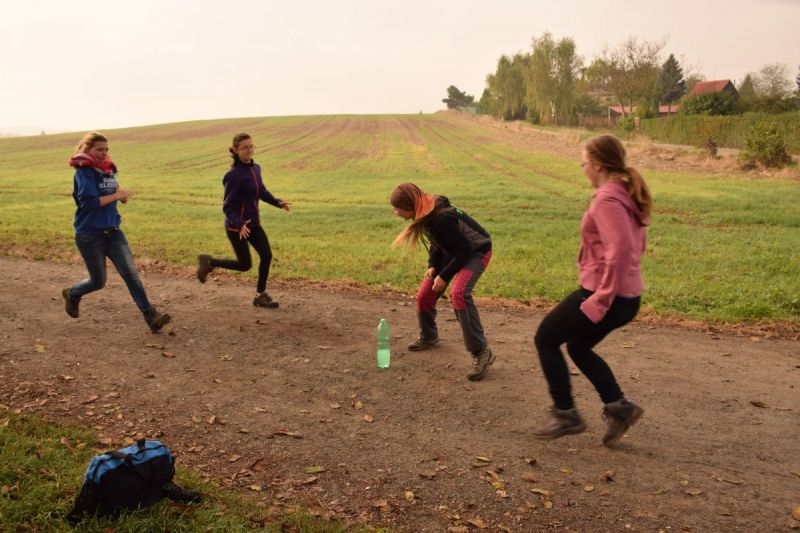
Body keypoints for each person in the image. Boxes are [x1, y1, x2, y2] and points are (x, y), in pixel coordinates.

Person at [532, 134, 652, 446]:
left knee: (546, 338)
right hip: (627, 296)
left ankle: (565, 413)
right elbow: (636, 245)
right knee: (578, 347)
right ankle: (619, 408)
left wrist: (602, 297)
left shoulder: (608, 200)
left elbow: (622, 250)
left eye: (584, 163)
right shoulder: (624, 193)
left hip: (606, 294)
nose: (582, 168)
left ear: (597, 165)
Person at [62, 132, 170, 333]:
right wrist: (116, 196)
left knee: (131, 274)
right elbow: (89, 204)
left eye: (106, 149)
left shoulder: (107, 170)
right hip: (90, 235)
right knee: (98, 281)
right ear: (87, 150)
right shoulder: (83, 173)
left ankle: (151, 315)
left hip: (113, 232)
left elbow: (114, 192)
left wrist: (122, 197)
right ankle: (73, 293)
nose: (104, 153)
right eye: (99, 149)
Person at [390, 182, 494, 381]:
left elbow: (464, 250)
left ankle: (481, 351)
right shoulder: (426, 213)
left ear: (410, 206)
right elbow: (439, 244)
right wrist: (433, 266)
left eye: (396, 208)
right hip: (455, 252)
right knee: (424, 296)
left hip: (476, 251)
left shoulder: (441, 219)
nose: (394, 212)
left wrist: (444, 277)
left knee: (459, 294)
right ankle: (429, 336)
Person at [196, 133, 290, 307]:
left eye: (252, 146)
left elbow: (261, 191)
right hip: (236, 228)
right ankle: (209, 261)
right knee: (245, 264)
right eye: (245, 147)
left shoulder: (256, 169)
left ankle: (260, 295)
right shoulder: (233, 175)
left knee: (266, 255)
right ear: (235, 150)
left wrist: (277, 202)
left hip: (253, 224)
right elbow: (227, 207)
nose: (250, 150)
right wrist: (239, 224)